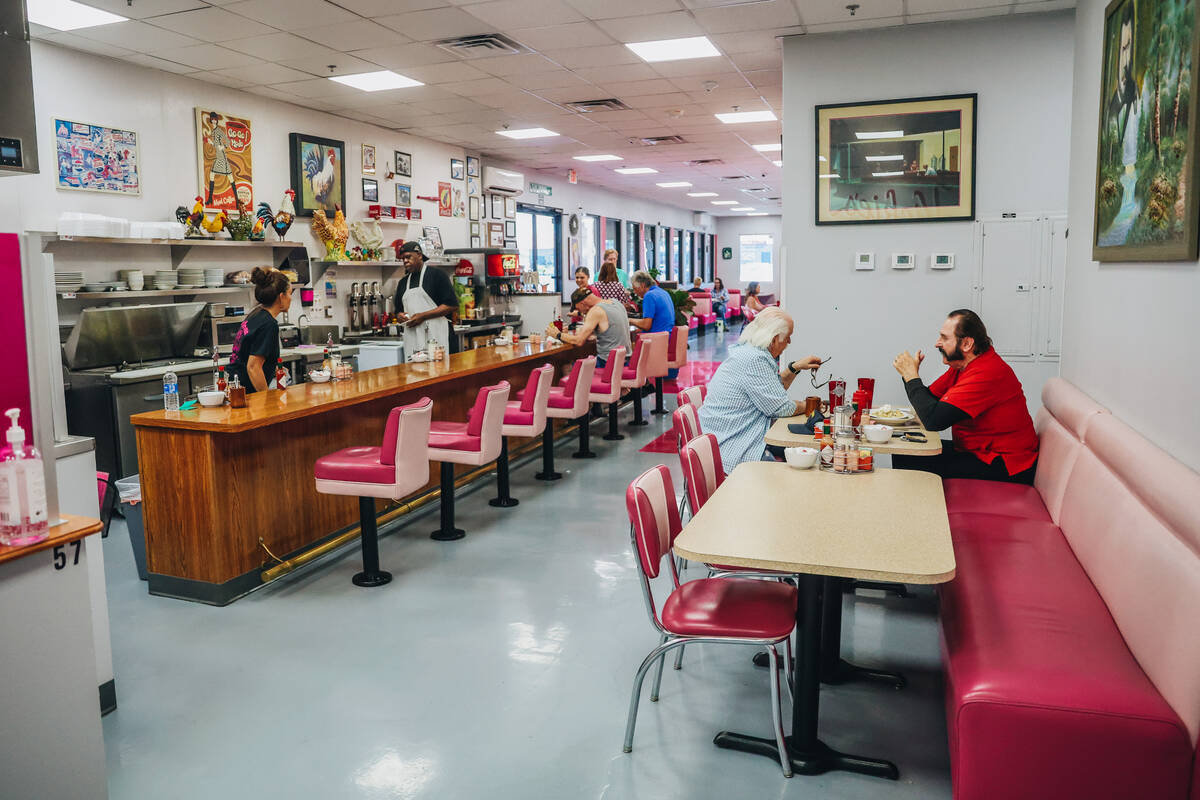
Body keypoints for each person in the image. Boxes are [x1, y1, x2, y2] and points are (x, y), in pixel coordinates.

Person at [891, 309, 1039, 484]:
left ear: (967, 344)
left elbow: (933, 420)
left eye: (944, 338)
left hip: (1005, 465)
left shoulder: (987, 372)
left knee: (910, 460)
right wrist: (910, 375)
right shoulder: (962, 366)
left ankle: (918, 511)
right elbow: (928, 400)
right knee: (904, 450)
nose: (937, 344)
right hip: (977, 453)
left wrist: (911, 376)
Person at [699, 309, 822, 472]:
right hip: (734, 448)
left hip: (733, 436)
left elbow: (773, 391)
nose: (789, 342)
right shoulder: (754, 359)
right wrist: (810, 406)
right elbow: (782, 408)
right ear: (775, 338)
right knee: (809, 462)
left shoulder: (750, 351)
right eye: (788, 337)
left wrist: (795, 367)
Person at [228, 267, 290, 393]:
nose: (291, 298)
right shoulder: (269, 324)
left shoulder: (256, 313)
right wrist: (266, 398)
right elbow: (253, 367)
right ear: (281, 297)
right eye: (289, 293)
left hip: (234, 385)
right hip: (245, 392)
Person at [394, 241, 458, 356]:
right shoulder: (402, 283)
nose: (405, 261)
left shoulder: (437, 275)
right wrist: (400, 316)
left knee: (441, 370)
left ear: (419, 255)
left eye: (408, 257)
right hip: (413, 338)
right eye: (402, 258)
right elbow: (398, 311)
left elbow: (451, 305)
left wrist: (422, 316)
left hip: (438, 335)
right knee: (415, 371)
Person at [546, 288, 630, 367]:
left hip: (608, 363)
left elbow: (579, 341)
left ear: (583, 303)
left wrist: (557, 334)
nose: (579, 312)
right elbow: (609, 330)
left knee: (567, 366)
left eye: (578, 309)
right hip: (625, 360)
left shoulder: (596, 310)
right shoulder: (616, 303)